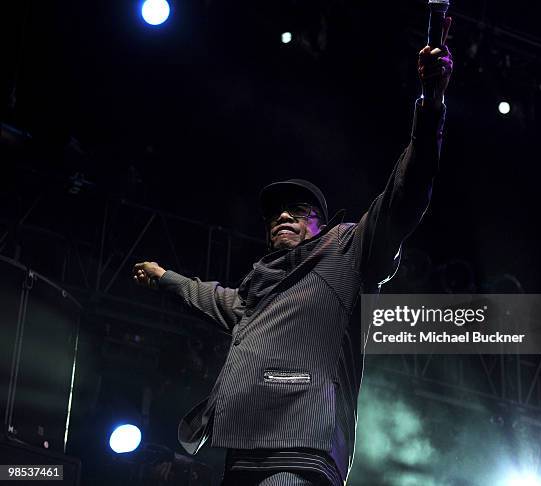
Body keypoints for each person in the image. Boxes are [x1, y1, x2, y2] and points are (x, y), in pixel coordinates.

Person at [133, 20, 453, 486]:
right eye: (276, 214)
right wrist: (164, 276)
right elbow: (208, 295)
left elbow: (407, 193)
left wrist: (431, 104)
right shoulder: (253, 295)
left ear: (321, 224)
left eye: (299, 211)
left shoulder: (346, 249)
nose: (284, 217)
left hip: (300, 449)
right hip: (242, 450)